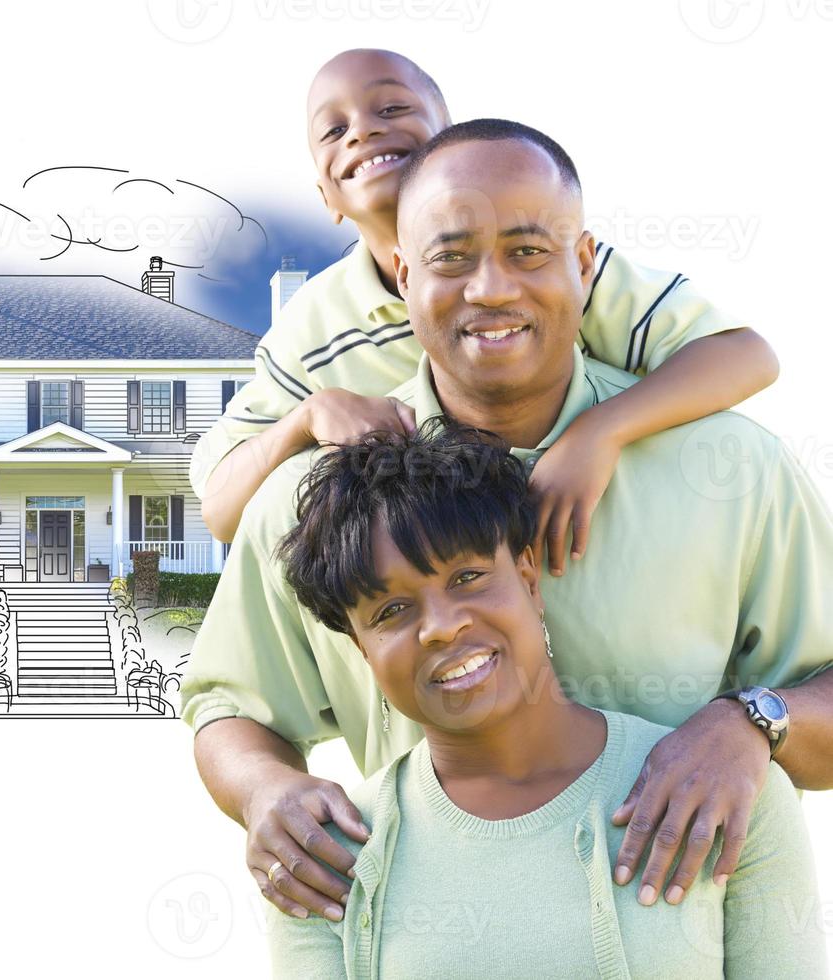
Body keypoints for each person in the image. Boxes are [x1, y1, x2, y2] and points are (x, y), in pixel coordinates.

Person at [179, 118, 833, 927]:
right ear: (401, 271)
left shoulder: (733, 470)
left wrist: (752, 723)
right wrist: (265, 791)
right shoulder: (311, 501)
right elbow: (229, 705)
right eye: (451, 258)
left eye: (527, 251)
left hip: (682, 942)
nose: (489, 288)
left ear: (584, 263)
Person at [191, 49, 779, 587]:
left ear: (452, 141)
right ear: (325, 195)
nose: (364, 130)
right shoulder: (314, 326)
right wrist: (308, 417)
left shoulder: (554, 267)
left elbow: (745, 355)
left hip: (600, 549)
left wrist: (601, 431)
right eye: (334, 129)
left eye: (392, 107)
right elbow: (221, 509)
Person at [263, 418, 825, 978]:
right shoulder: (322, 857)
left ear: (530, 580)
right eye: (390, 611)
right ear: (363, 652)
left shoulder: (723, 789)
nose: (440, 626)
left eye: (467, 577)